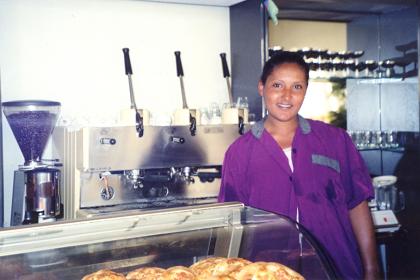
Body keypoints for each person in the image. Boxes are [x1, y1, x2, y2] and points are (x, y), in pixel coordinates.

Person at [218, 51, 379, 279]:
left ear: (305, 90)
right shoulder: (240, 153)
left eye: (297, 87)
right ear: (262, 88)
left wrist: (372, 270)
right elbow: (231, 222)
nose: (286, 96)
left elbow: (357, 204)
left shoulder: (335, 140)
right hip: (269, 272)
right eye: (277, 85)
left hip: (337, 268)